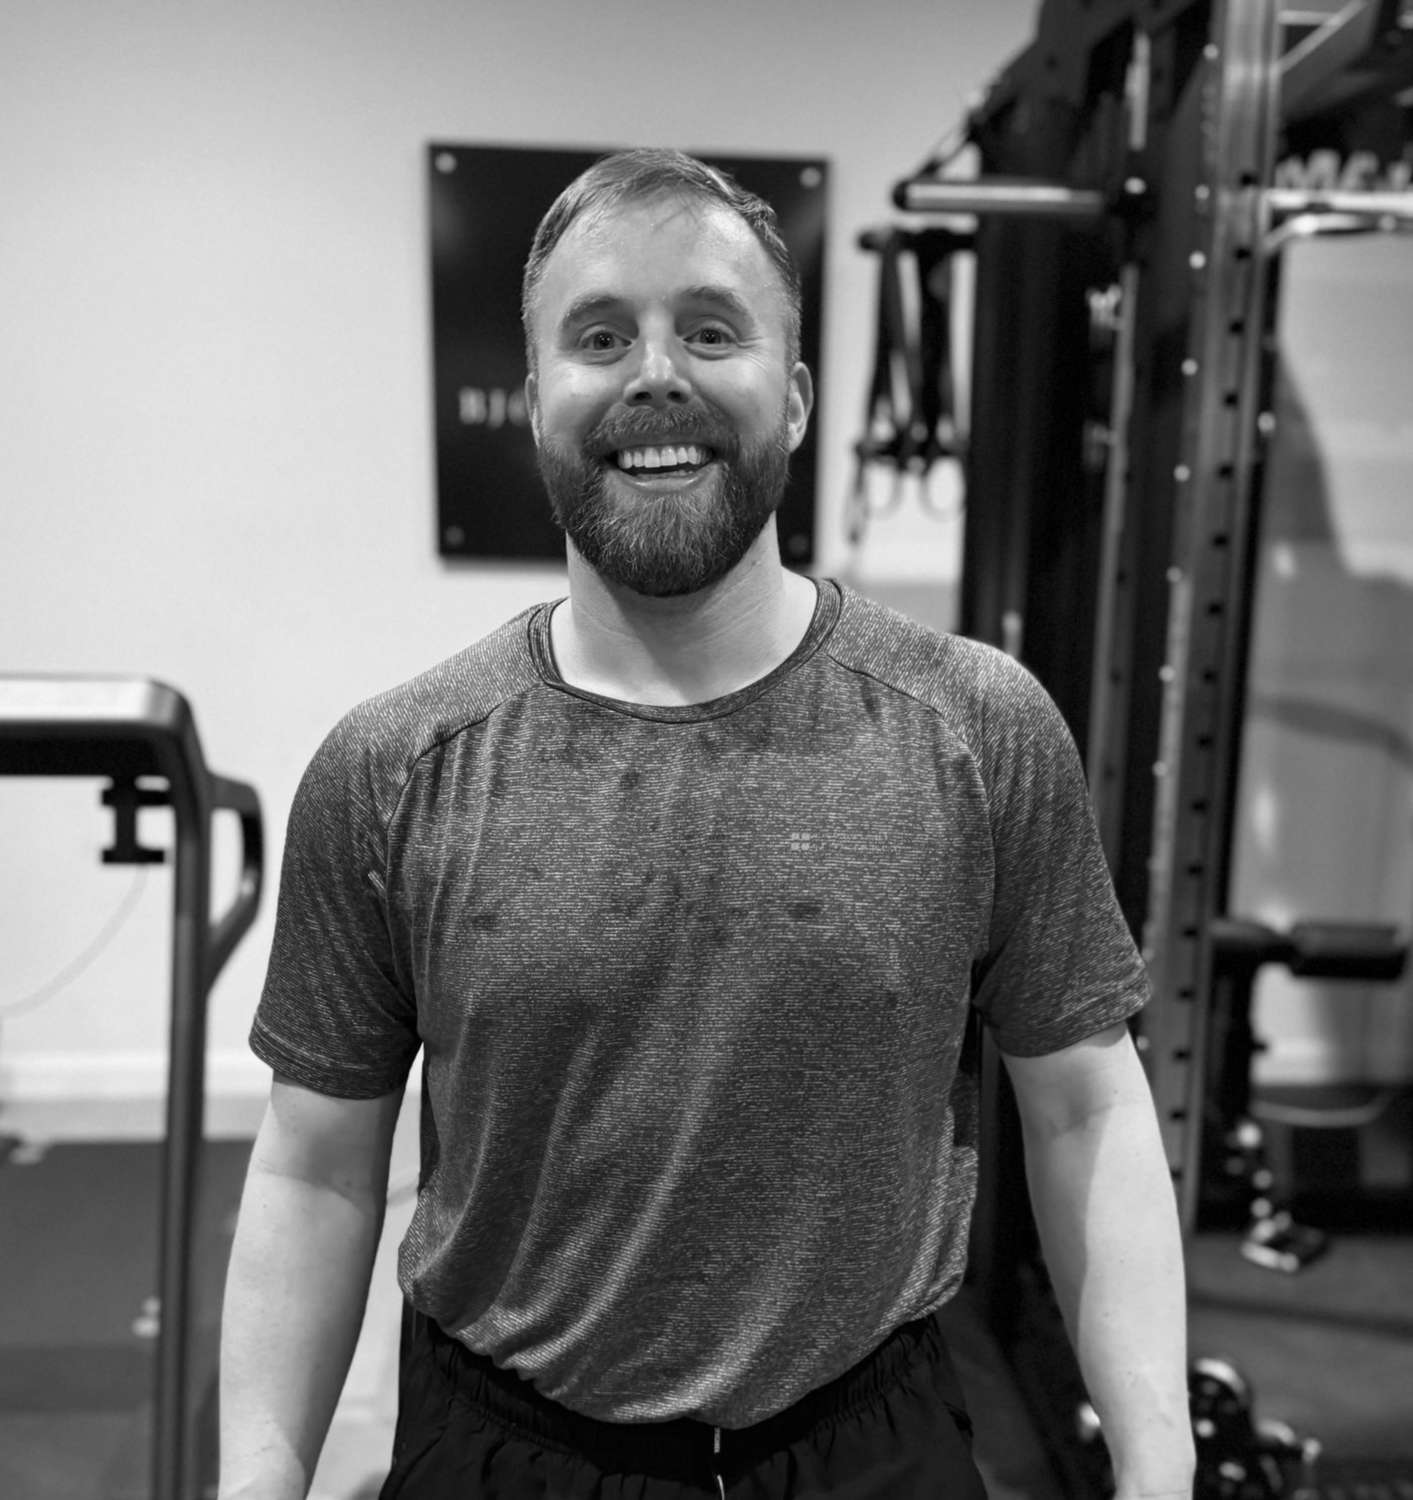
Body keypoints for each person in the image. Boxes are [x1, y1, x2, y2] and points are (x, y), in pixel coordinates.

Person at [219, 148, 1195, 1500]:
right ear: (537, 400)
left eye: (712, 330)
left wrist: (1159, 1464)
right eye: (600, 336)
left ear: (793, 393)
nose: (655, 376)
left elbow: (1085, 1109)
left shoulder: (979, 729)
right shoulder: (392, 768)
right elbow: (317, 1172)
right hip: (508, 1454)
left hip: (873, 1446)